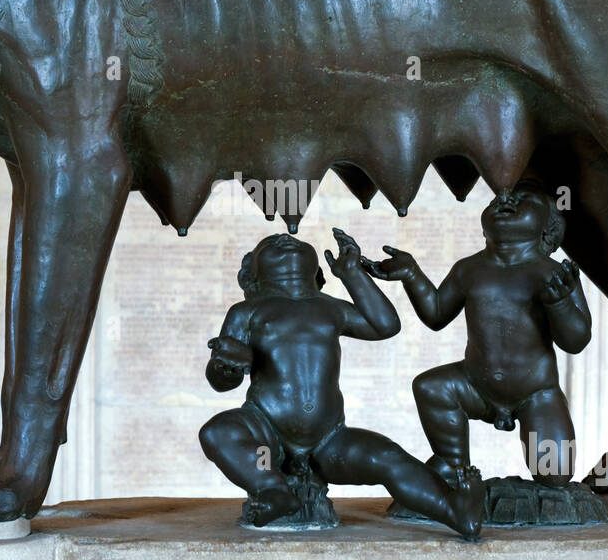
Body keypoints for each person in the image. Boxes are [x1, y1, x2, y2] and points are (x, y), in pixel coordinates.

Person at [200, 228, 484, 538]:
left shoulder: (329, 307)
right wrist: (226, 366)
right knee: (218, 432)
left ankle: (455, 511)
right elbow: (220, 381)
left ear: (317, 273)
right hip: (267, 435)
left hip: (330, 441)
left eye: (294, 240)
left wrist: (353, 274)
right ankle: (272, 488)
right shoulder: (247, 311)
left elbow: (384, 325)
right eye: (270, 244)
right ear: (251, 273)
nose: (285, 238)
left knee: (387, 457)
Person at [365, 179, 591, 488]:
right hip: (475, 385)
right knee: (431, 387)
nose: (506, 201)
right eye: (497, 199)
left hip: (536, 392)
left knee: (556, 473)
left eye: (524, 200)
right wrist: (411, 274)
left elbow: (576, 341)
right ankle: (452, 464)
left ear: (547, 228)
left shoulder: (553, 274)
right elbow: (435, 315)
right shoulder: (468, 269)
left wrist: (561, 303)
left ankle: (546, 470)